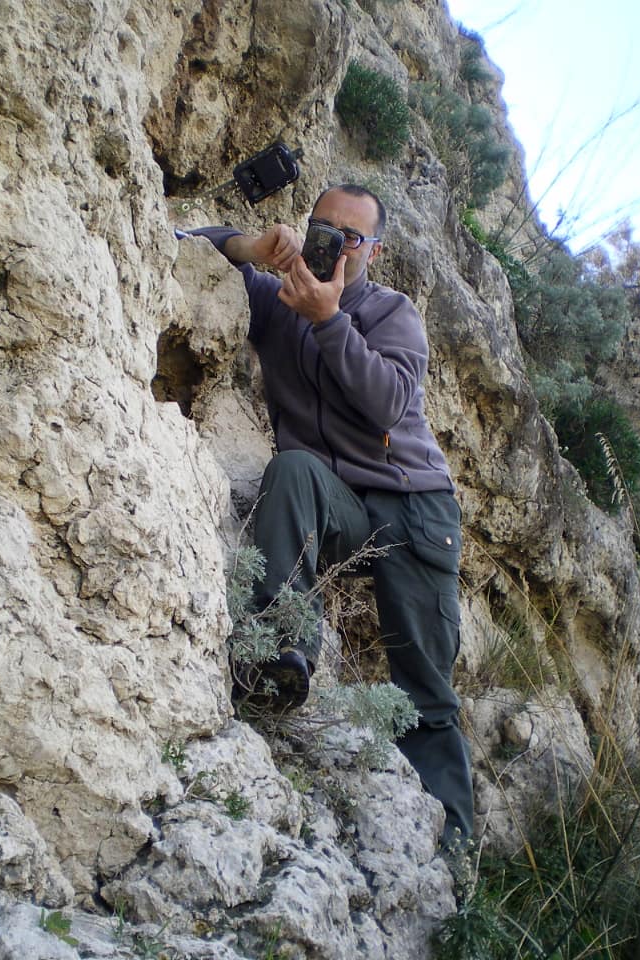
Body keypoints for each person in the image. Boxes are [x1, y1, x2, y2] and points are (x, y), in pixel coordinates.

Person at [189, 184, 474, 844]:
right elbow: (186, 244)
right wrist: (247, 247)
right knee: (290, 469)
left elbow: (388, 404)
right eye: (323, 229)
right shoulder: (277, 297)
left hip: (415, 506)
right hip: (339, 498)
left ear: (373, 250)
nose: (335, 246)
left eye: (352, 238)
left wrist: (328, 319)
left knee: (425, 688)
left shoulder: (391, 312)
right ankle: (280, 656)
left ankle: (455, 846)